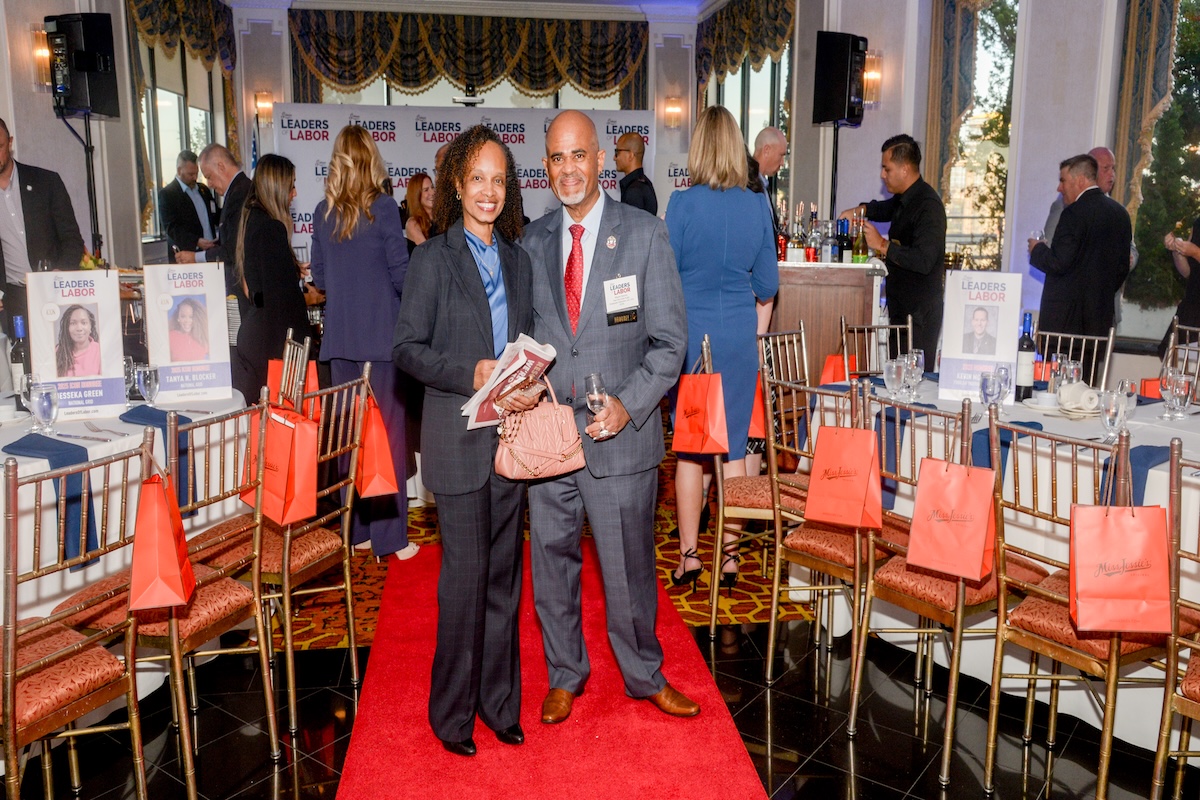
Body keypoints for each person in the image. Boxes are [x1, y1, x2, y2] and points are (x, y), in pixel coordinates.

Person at [523, 110, 697, 725]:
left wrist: (628, 404)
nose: (568, 169)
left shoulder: (645, 234)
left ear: (601, 160)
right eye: (556, 158)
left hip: (620, 435)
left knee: (628, 569)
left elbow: (670, 342)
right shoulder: (531, 242)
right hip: (550, 438)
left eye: (579, 155)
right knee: (551, 565)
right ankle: (564, 674)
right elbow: (525, 339)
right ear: (546, 167)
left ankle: (644, 675)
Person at [393, 125, 536, 758]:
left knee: (505, 581)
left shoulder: (519, 261)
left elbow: (525, 344)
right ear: (456, 183)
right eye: (477, 178)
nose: (488, 191)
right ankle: (452, 715)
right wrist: (469, 373)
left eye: (498, 179)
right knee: (464, 582)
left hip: (509, 439)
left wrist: (526, 385)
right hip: (457, 442)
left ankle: (500, 705)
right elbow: (406, 349)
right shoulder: (432, 258)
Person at [664, 106, 778, 591]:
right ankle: (729, 559)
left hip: (692, 340)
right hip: (737, 341)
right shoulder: (756, 206)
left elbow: (665, 277)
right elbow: (767, 285)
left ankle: (689, 557)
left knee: (691, 452)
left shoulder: (681, 204)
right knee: (734, 448)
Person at [310, 126, 413, 560]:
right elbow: (401, 274)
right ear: (372, 159)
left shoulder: (322, 211)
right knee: (387, 438)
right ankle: (392, 539)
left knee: (348, 440)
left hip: (340, 342)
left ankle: (357, 533)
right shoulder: (384, 207)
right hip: (382, 342)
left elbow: (318, 278)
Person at [840, 134, 947, 365]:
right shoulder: (903, 198)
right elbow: (882, 209)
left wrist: (882, 244)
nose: (882, 175)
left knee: (915, 379)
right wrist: (858, 211)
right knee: (896, 375)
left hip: (919, 314)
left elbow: (924, 260)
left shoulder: (929, 207)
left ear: (905, 169)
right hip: (901, 308)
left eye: (886, 169)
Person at [230, 154, 310, 401]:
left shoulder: (252, 219)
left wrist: (290, 269)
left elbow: (261, 280)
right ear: (277, 187)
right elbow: (283, 303)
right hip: (273, 342)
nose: (294, 193)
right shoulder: (271, 228)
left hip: (257, 334)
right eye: (291, 185)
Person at [1027, 153, 1132, 336]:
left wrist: (1037, 249)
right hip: (1099, 322)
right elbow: (1122, 268)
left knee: (1061, 358)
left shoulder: (1073, 213)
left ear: (1081, 181)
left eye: (1063, 181)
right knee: (1093, 357)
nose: (1059, 188)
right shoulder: (1120, 214)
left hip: (1066, 325)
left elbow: (1058, 262)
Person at [0, 117, 85, 336]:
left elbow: (72, 239)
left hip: (54, 292)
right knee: (22, 355)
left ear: (10, 143)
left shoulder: (46, 182)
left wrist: (61, 274)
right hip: (13, 298)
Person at [159, 151, 218, 263]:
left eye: (196, 173)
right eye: (190, 174)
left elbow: (215, 214)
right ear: (179, 171)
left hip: (210, 253)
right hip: (186, 256)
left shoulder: (203, 190)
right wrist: (196, 241)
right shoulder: (167, 194)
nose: (194, 177)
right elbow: (171, 228)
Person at [1160, 222, 1200, 356]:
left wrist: (1196, 252)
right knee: (1175, 360)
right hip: (1192, 306)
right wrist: (1177, 250)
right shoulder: (1198, 223)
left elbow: (1195, 252)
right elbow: (1188, 272)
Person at [750, 126, 787, 233]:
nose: (782, 163)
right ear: (766, 150)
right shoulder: (749, 185)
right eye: (781, 155)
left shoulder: (761, 184)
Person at [614, 132, 657, 216]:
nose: (614, 158)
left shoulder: (634, 191)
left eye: (617, 152)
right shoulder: (644, 183)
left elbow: (632, 224)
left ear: (630, 155)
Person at [55, 304, 100, 377]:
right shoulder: (57, 352)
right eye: (73, 323)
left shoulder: (100, 351)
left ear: (90, 326)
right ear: (67, 328)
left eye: (84, 323)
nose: (79, 328)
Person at [168, 297, 210, 361]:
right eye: (183, 316)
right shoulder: (170, 336)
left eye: (191, 317)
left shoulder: (203, 337)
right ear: (178, 318)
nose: (187, 321)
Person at [404, 172, 435, 253]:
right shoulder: (413, 224)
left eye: (432, 187)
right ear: (417, 195)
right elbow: (428, 253)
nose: (432, 192)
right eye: (426, 190)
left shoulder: (442, 220)